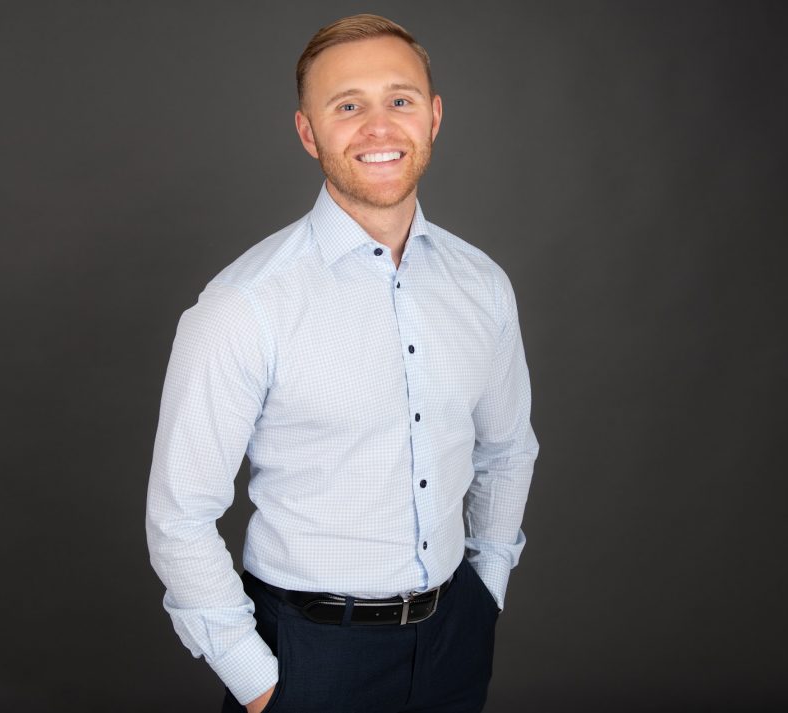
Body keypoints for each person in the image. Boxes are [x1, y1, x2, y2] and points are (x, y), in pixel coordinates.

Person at [146, 14, 538, 713]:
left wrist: (486, 592)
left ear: (433, 116)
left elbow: (508, 450)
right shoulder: (244, 305)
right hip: (308, 658)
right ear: (308, 132)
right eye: (348, 106)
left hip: (455, 640)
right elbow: (179, 519)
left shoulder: (483, 285)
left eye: (400, 99)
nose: (379, 126)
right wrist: (260, 684)